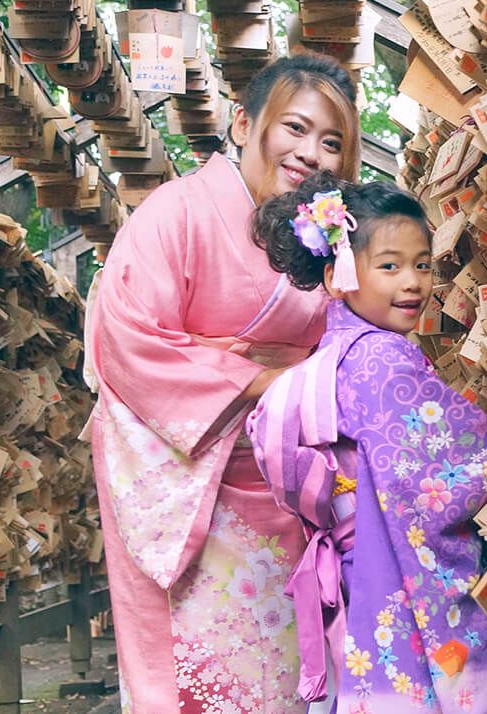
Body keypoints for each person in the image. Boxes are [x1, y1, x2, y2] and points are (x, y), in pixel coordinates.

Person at [86, 54, 361, 713]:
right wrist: (266, 380)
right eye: (293, 128)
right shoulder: (176, 214)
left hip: (283, 482)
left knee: (281, 674)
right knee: (188, 672)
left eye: (332, 142)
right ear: (243, 123)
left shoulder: (324, 240)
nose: (310, 154)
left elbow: (349, 342)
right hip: (185, 479)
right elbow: (126, 336)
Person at [247, 175, 487, 713]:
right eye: (389, 266)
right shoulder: (383, 359)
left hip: (354, 571)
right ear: (337, 274)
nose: (411, 282)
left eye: (422, 263)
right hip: (388, 564)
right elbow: (439, 479)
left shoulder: (333, 354)